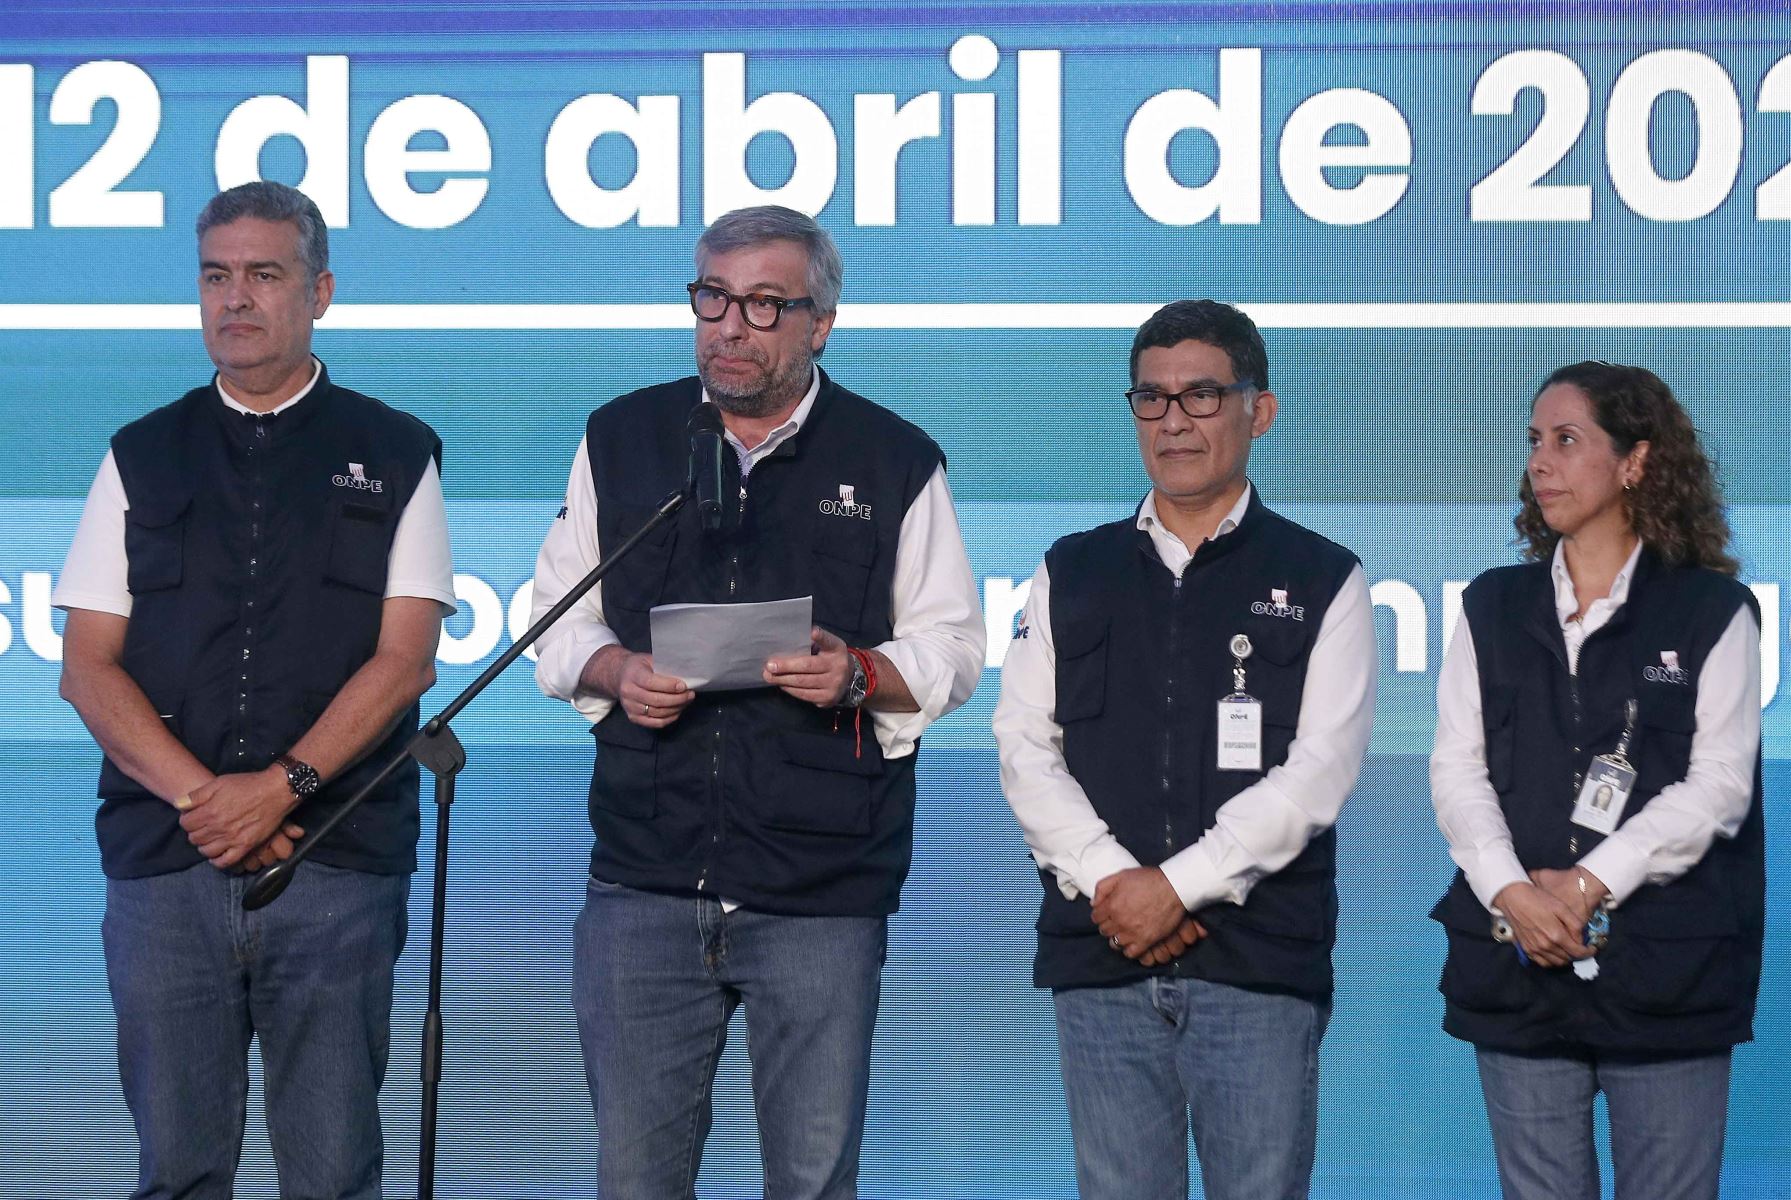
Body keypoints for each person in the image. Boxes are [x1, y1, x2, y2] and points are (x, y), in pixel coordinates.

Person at [530, 204, 984, 1200]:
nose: (729, 327)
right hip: (644, 880)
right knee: (634, 1181)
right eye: (712, 298)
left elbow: (953, 651)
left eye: (764, 305)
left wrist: (858, 674)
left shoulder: (894, 460)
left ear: (820, 322)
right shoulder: (623, 439)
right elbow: (557, 627)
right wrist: (619, 674)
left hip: (819, 892)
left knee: (813, 1183)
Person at [54, 180, 454, 1199]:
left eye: (264, 275)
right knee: (178, 1171)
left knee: (331, 1175)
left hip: (337, 870)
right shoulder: (140, 454)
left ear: (320, 291)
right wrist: (207, 802)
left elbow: (406, 660)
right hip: (165, 871)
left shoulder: (398, 451)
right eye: (216, 276)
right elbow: (86, 668)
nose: (235, 299)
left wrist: (279, 789)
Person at [993, 299, 1376, 1199]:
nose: (1173, 421)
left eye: (1202, 396)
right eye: (1151, 399)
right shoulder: (1072, 568)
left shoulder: (1326, 578)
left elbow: (1319, 773)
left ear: (1260, 409)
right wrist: (1116, 884)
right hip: (1102, 951)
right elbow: (1022, 744)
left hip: (1257, 962)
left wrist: (1177, 887)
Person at [1430, 362, 1762, 1200]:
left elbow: (1719, 785)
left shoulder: (1711, 611)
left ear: (1636, 462)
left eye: (1567, 441)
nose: (1540, 462)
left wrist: (1588, 884)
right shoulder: (1491, 608)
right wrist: (1513, 893)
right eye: (1535, 442)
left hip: (1669, 978)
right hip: (1516, 970)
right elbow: (1457, 770)